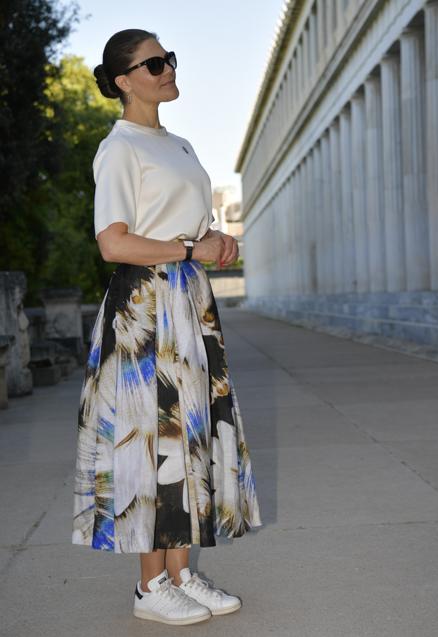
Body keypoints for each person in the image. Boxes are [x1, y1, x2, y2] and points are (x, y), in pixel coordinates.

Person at [71, 28, 262, 626]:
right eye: (153, 63)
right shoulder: (120, 147)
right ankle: (149, 585)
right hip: (145, 305)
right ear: (124, 81)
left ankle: (181, 572)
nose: (167, 69)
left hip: (187, 299)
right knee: (150, 438)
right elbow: (113, 243)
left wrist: (214, 243)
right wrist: (188, 250)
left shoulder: (177, 143)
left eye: (169, 58)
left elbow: (188, 229)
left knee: (191, 434)